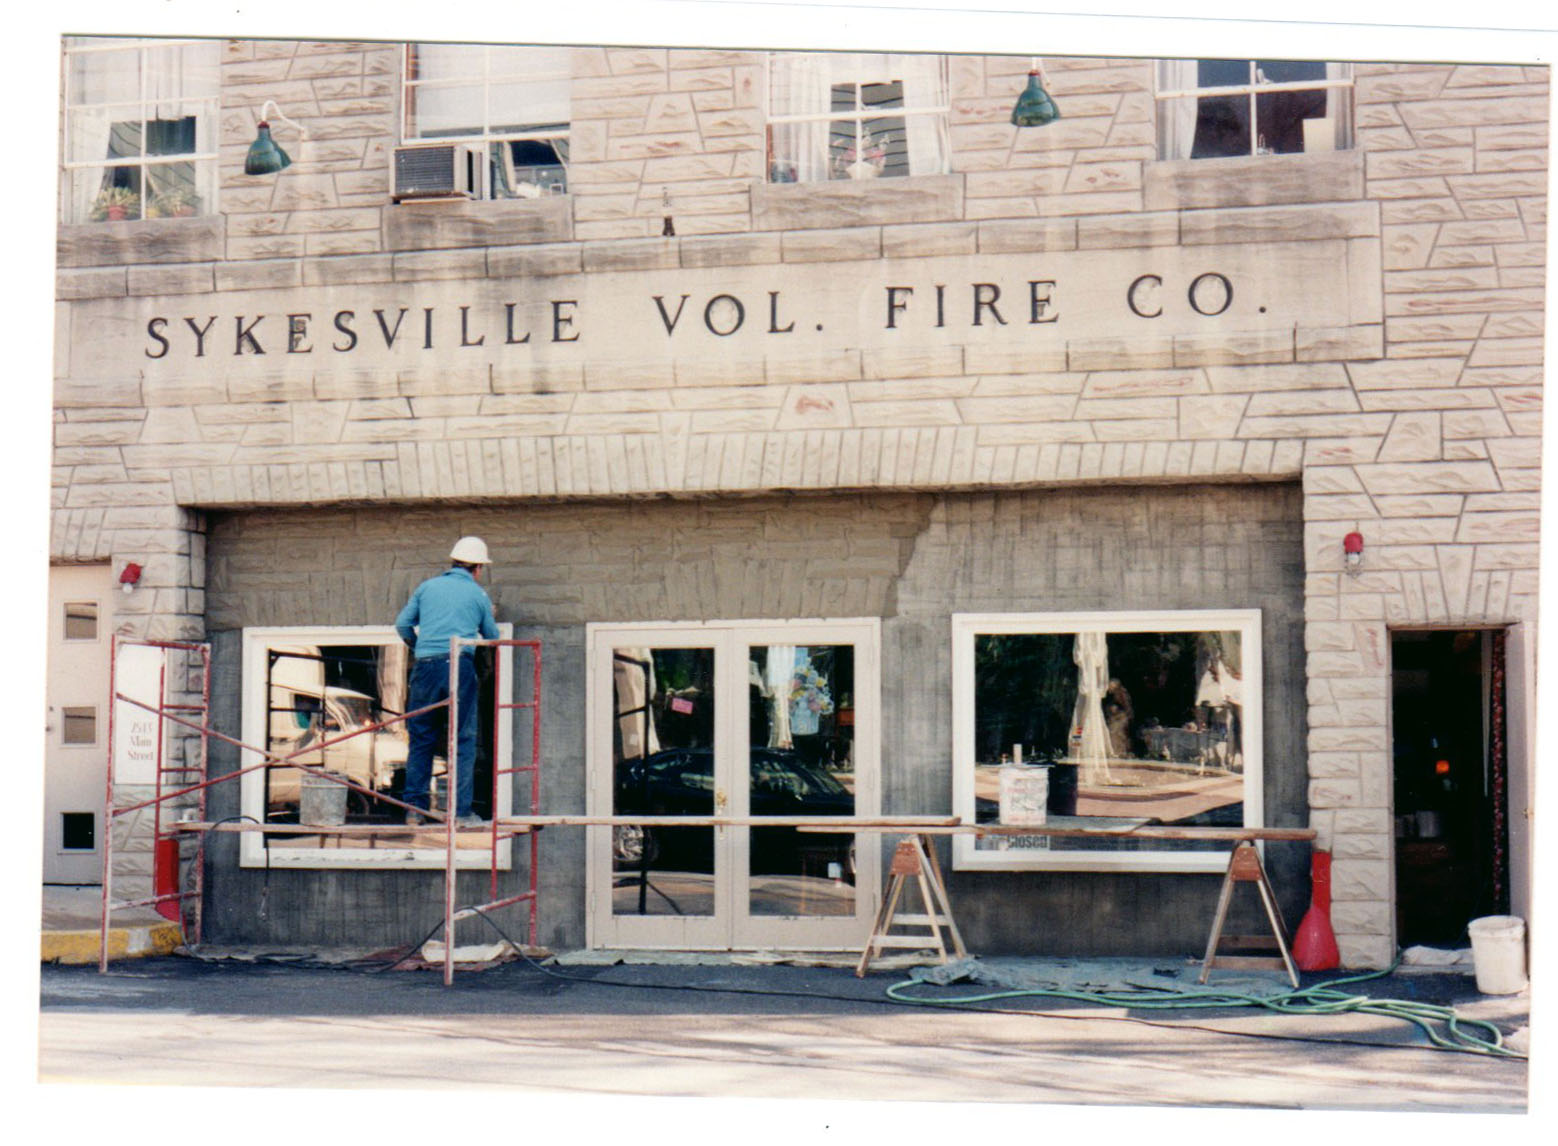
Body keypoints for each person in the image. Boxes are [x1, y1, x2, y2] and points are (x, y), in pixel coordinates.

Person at [395, 536, 499, 827]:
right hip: (458, 665)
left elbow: (402, 625)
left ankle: (414, 810)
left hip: (425, 668)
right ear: (478, 568)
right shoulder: (478, 596)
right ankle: (460, 812)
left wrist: (419, 649)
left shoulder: (426, 588)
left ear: (453, 563)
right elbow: (493, 638)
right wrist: (488, 617)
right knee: (463, 739)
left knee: (421, 737)